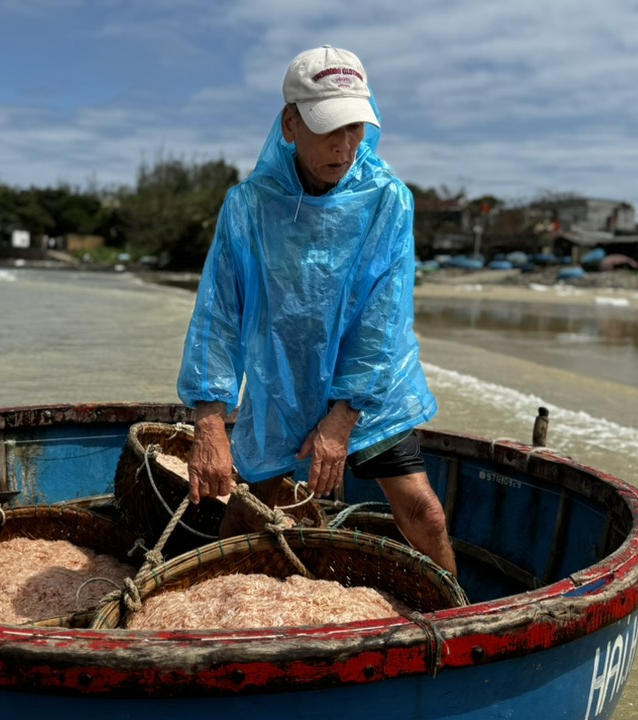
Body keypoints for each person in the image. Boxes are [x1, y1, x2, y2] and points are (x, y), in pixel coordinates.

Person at [176, 45, 458, 576]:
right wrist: (209, 421)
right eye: (329, 128)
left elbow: (383, 318)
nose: (344, 145)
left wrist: (343, 415)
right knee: (243, 517)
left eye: (355, 127)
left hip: (373, 387)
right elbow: (218, 314)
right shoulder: (248, 206)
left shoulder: (387, 199)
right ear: (290, 123)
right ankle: (207, 622)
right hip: (284, 382)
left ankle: (458, 626)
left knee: (426, 515)